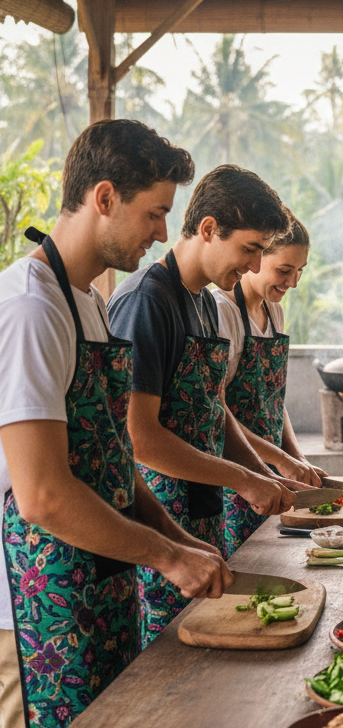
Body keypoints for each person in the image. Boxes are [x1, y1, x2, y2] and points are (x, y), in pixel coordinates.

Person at [0, 120, 234, 728]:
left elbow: (111, 456)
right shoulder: (30, 307)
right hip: (33, 604)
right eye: (155, 213)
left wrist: (179, 540)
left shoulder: (90, 304)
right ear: (104, 197)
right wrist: (167, 557)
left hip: (101, 581)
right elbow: (43, 495)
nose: (163, 233)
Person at [108, 164, 300, 646]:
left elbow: (214, 405)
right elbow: (141, 438)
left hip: (204, 511)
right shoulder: (147, 301)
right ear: (210, 229)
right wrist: (243, 478)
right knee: (168, 660)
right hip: (161, 520)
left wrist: (263, 472)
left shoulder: (206, 302)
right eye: (250, 250)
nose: (254, 267)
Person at [213, 212, 325, 558]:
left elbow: (274, 399)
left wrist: (296, 457)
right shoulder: (223, 311)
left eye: (300, 271)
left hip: (273, 471)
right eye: (284, 270)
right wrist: (280, 461)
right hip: (240, 476)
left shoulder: (274, 312)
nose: (293, 283)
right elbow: (220, 410)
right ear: (257, 259)